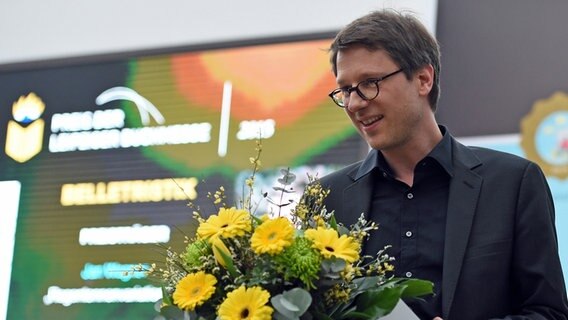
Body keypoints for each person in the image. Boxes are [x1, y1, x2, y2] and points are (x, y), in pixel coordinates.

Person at [319, 9, 568, 320]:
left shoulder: (513, 183)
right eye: (346, 90)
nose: (355, 103)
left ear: (423, 79)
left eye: (370, 83)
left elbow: (549, 313)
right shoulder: (326, 198)